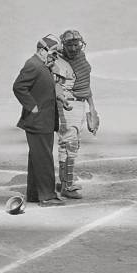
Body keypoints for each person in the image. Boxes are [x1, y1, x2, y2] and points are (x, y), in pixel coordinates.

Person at [12, 35, 65, 207]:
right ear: (42, 51)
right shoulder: (33, 65)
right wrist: (32, 107)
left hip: (44, 120)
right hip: (38, 120)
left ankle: (34, 194)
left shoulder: (43, 65)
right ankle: (48, 196)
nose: (55, 56)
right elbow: (19, 87)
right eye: (53, 52)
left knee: (37, 157)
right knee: (44, 159)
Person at [51, 29, 98, 199]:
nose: (73, 48)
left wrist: (92, 108)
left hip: (80, 103)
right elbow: (56, 86)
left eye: (76, 44)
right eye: (70, 45)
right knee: (68, 144)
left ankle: (65, 181)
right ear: (64, 45)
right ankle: (66, 186)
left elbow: (85, 84)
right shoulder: (58, 60)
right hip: (67, 105)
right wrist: (62, 101)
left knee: (73, 144)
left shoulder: (81, 58)